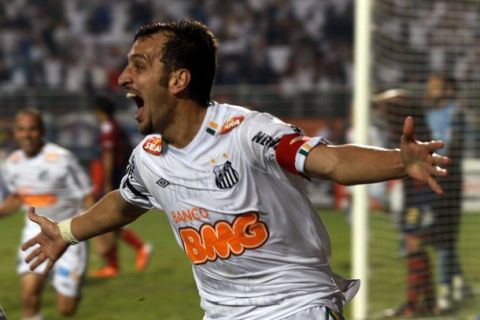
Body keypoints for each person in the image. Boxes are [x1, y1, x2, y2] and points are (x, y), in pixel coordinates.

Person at [22, 20, 450, 320]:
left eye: (139, 65)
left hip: (294, 306)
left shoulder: (246, 132)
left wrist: (401, 160)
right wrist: (65, 233)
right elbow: (124, 203)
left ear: (178, 80)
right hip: (221, 313)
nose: (122, 78)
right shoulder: (149, 156)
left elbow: (332, 161)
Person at [0, 109, 95, 320]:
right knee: (28, 295)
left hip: (68, 233)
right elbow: (17, 198)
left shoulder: (62, 159)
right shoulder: (12, 163)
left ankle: (72, 283)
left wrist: (102, 235)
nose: (27, 135)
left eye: (32, 129)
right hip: (34, 233)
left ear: (42, 131)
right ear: (14, 133)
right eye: (21, 130)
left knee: (66, 308)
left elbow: (86, 196)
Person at [375, 90, 439, 318]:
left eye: (384, 109)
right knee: (417, 248)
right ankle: (430, 302)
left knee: (413, 245)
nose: (380, 112)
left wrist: (379, 99)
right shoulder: (403, 129)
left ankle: (413, 305)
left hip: (422, 195)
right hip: (416, 194)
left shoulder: (410, 130)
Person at [89, 95, 153, 278]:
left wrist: (107, 183)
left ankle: (137, 249)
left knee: (105, 221)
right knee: (107, 222)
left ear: (100, 111)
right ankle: (115, 264)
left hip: (108, 179)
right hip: (111, 177)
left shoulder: (108, 127)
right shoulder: (115, 126)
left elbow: (108, 156)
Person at [424, 74, 471, 312]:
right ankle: (460, 284)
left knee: (443, 237)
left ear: (449, 90)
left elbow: (454, 145)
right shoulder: (429, 114)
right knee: (440, 237)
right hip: (431, 177)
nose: (430, 89)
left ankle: (446, 292)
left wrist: (442, 170)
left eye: (435, 85)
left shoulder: (455, 113)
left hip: (448, 179)